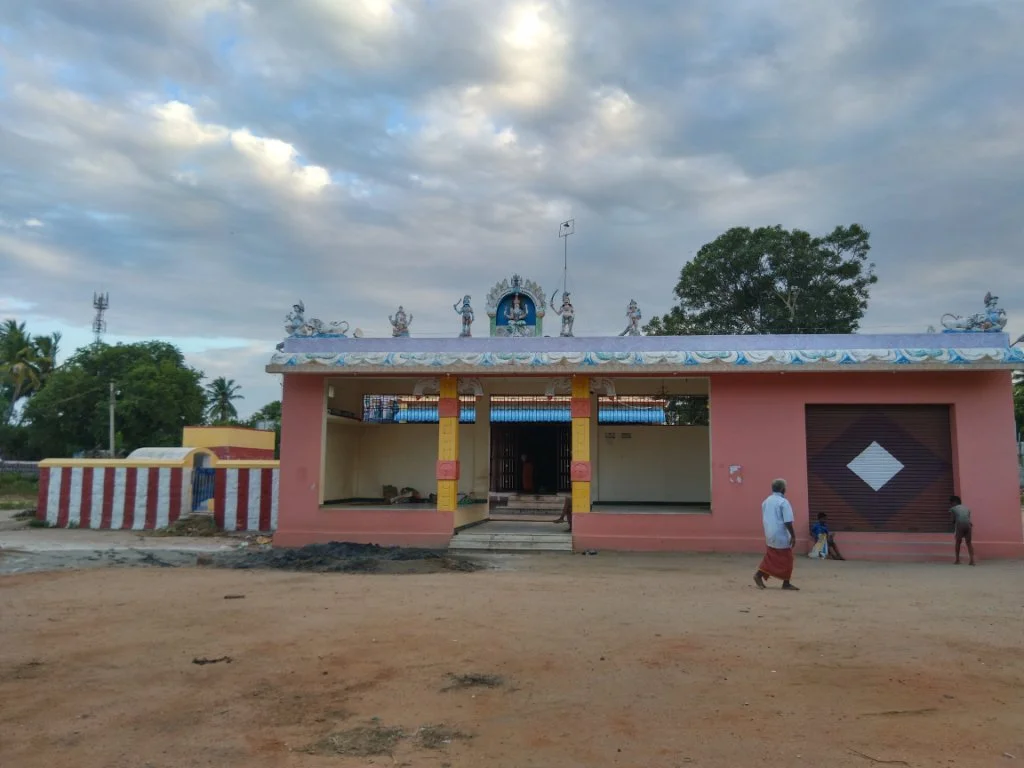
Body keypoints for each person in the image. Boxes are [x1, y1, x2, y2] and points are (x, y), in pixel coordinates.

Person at [754, 478, 799, 590]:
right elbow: (788, 521)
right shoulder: (783, 502)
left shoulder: (766, 501)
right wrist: (793, 536)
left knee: (772, 556)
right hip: (780, 534)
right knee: (787, 558)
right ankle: (784, 582)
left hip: (769, 533)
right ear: (783, 489)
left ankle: (761, 575)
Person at [950, 495, 975, 565]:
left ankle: (957, 560)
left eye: (951, 503)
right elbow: (968, 518)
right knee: (969, 543)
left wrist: (954, 522)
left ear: (954, 502)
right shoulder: (967, 508)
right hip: (968, 526)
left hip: (960, 525)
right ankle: (972, 561)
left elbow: (952, 520)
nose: (951, 505)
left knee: (958, 542)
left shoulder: (953, 509)